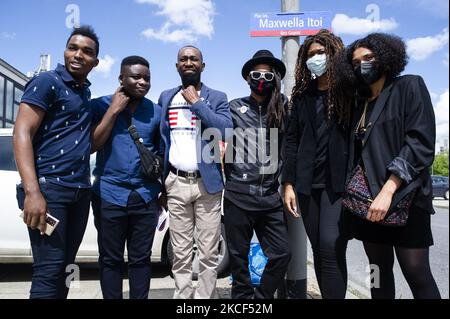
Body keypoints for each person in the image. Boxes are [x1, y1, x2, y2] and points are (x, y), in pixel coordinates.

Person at [335, 33, 441, 299]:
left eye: (368, 58)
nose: (363, 65)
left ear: (385, 56)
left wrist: (389, 189)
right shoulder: (360, 104)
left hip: (406, 197)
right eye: (356, 62)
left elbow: (420, 143)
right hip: (368, 203)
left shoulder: (409, 86)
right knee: (377, 273)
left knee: (417, 272)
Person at [13, 26, 99, 299]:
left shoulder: (84, 93)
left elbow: (88, 142)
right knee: (48, 273)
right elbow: (22, 132)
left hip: (79, 192)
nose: (78, 55)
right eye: (73, 47)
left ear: (95, 62)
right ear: (64, 51)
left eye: (87, 51)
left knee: (64, 269)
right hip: (49, 191)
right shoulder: (47, 82)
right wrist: (33, 192)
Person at [158, 46, 232, 299]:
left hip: (207, 185)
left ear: (203, 65)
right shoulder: (166, 97)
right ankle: (183, 299)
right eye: (183, 59)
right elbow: (161, 140)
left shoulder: (217, 96)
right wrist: (161, 184)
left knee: (209, 252)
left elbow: (225, 130)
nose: (188, 62)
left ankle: (205, 300)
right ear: (177, 65)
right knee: (180, 252)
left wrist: (197, 103)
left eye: (194, 59)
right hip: (176, 183)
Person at [282, 29, 350, 299]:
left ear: (333, 54)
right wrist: (288, 183)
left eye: (320, 53)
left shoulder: (349, 92)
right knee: (319, 252)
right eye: (310, 55)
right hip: (307, 184)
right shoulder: (302, 96)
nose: (315, 58)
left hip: (339, 184)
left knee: (330, 246)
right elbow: (291, 140)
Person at [89, 56, 163, 299]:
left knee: (141, 260)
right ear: (121, 78)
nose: (143, 82)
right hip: (109, 195)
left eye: (147, 78)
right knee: (110, 260)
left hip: (145, 196)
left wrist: (162, 191)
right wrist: (113, 111)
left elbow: (162, 153)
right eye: (136, 77)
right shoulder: (100, 105)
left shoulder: (155, 111)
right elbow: (92, 145)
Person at [224, 49, 291, 299]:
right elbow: (217, 144)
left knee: (282, 253)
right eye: (256, 73)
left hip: (270, 199)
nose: (261, 78)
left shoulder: (284, 107)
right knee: (238, 259)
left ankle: (261, 298)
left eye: (267, 74)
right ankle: (241, 301)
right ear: (247, 78)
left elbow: (291, 145)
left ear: (275, 77)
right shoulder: (233, 108)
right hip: (238, 197)